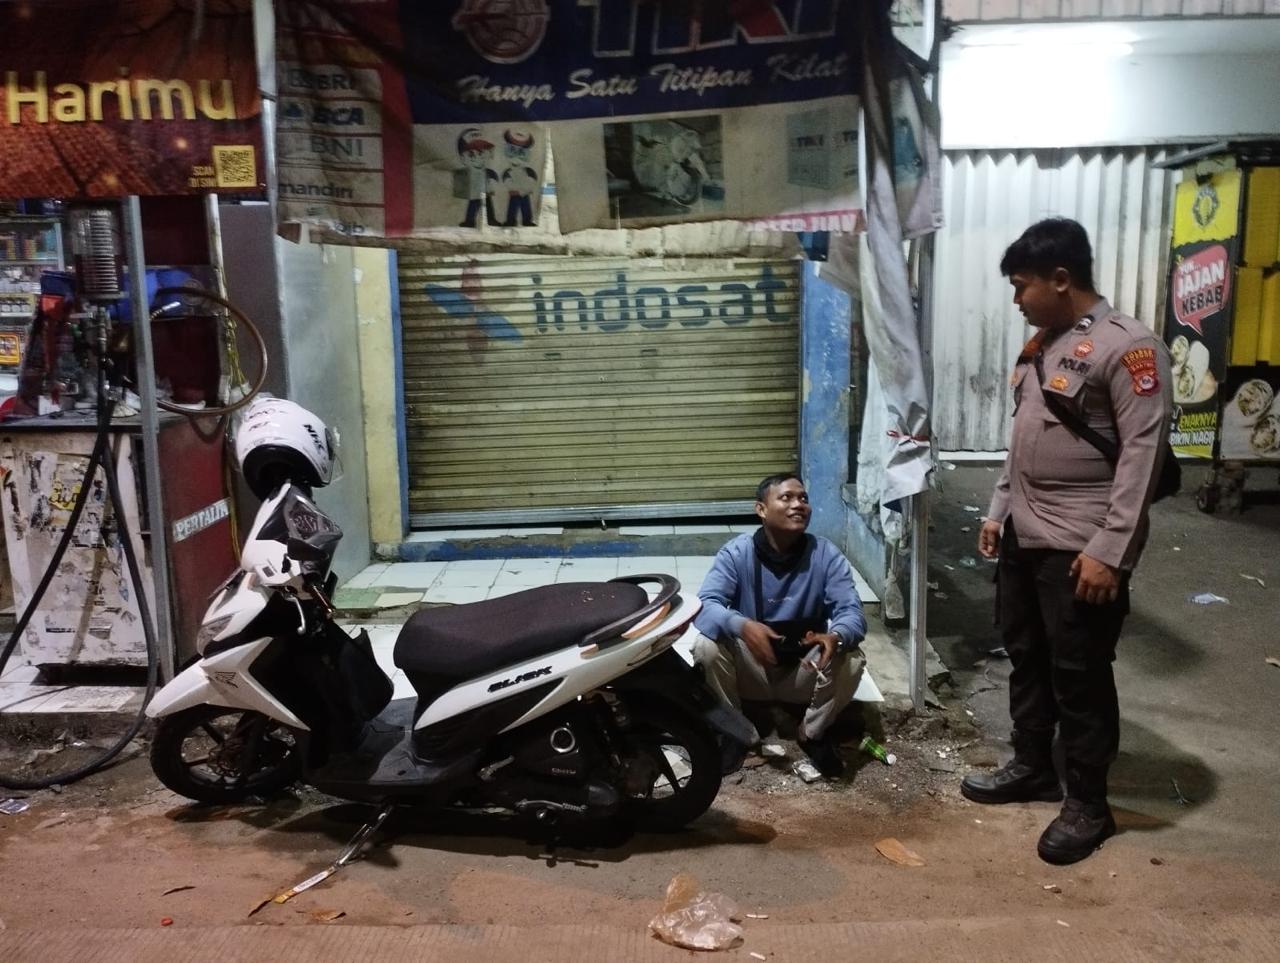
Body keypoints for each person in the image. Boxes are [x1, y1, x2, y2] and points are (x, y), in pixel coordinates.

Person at [960, 218, 1173, 865]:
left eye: (1021, 285)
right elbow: (1023, 436)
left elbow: (1142, 457)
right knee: (1026, 654)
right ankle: (1033, 765)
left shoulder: (1129, 348)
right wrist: (999, 509)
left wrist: (1112, 549)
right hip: (1025, 533)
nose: (1016, 299)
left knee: (1079, 672)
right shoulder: (1040, 346)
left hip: (1082, 543)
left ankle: (1088, 802)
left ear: (1060, 279)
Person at [692, 473, 867, 778]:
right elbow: (705, 605)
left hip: (802, 671)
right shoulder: (737, 553)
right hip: (754, 670)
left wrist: (836, 635)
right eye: (786, 498)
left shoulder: (825, 555)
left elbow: (851, 611)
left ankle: (811, 733)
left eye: (803, 498)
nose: (798, 505)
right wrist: (742, 625)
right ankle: (735, 731)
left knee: (851, 656)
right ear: (761, 509)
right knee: (706, 646)